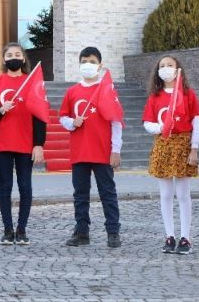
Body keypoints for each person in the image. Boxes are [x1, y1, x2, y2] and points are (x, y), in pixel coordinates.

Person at [58, 46, 123, 248]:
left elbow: (116, 122)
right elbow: (62, 117)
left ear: (100, 65)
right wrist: (72, 122)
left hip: (103, 151)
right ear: (79, 64)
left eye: (93, 61)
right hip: (80, 151)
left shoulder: (106, 90)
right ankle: (81, 231)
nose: (88, 65)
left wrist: (116, 150)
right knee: (80, 194)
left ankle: (113, 231)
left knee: (108, 193)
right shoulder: (72, 91)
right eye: (85, 61)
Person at [0, 42, 46, 245]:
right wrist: (1, 109)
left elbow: (40, 115)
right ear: (4, 60)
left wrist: (39, 144)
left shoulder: (31, 82)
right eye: (9, 54)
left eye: (17, 54)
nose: (14, 57)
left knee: (25, 186)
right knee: (5, 187)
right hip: (2, 143)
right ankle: (8, 230)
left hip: (25, 143)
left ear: (23, 58)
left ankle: (22, 230)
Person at [142, 56, 199, 255]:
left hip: (183, 144)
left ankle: (185, 237)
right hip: (163, 143)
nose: (166, 68)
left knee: (183, 194)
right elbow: (147, 123)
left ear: (178, 69)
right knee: (166, 194)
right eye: (162, 66)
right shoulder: (155, 96)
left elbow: (195, 122)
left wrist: (194, 148)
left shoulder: (188, 94)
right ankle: (169, 235)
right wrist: (161, 126)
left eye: (170, 65)